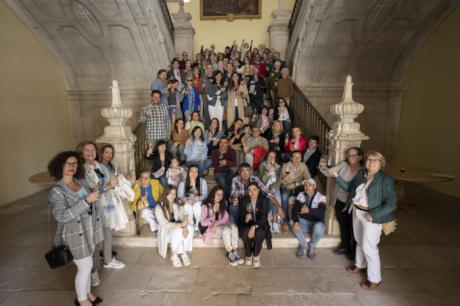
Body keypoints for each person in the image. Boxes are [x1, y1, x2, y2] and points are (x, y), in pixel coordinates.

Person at [332, 151, 397, 289]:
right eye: (369, 159)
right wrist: (337, 177)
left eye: (375, 160)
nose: (371, 162)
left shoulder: (386, 179)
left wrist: (375, 214)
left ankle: (375, 278)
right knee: (359, 240)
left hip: (371, 216)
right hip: (357, 211)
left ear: (381, 164)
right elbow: (350, 188)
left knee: (369, 247)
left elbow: (392, 203)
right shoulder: (362, 174)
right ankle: (360, 265)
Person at [48, 151, 104, 306]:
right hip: (74, 233)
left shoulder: (80, 182)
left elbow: (91, 197)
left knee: (89, 264)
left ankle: (87, 293)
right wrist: (86, 201)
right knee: (85, 266)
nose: (72, 166)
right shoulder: (56, 191)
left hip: (90, 228)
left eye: (74, 163)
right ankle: (81, 299)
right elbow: (62, 216)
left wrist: (94, 194)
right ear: (60, 166)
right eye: (68, 163)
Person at [77, 141, 125, 282]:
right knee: (96, 239)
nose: (90, 153)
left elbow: (112, 179)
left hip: (107, 205)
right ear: (82, 153)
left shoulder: (100, 166)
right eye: (87, 150)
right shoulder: (82, 171)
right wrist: (108, 186)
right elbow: (92, 191)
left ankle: (108, 260)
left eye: (92, 150)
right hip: (93, 208)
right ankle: (93, 271)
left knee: (108, 232)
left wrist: (110, 184)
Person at [320, 147, 364, 259]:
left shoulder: (362, 171)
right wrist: (323, 166)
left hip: (353, 203)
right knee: (343, 225)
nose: (350, 157)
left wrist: (337, 177)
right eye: (349, 155)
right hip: (339, 200)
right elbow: (329, 172)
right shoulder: (344, 164)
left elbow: (349, 188)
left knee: (354, 228)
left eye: (353, 155)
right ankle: (345, 246)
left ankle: (354, 254)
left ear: (360, 157)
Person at [200, 186, 244, 266]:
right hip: (211, 230)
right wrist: (211, 219)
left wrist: (216, 224)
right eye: (217, 194)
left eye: (221, 194)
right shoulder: (205, 205)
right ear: (213, 193)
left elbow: (226, 217)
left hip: (220, 226)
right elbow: (202, 223)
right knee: (226, 229)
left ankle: (234, 251)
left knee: (234, 227)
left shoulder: (224, 203)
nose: (219, 196)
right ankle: (229, 252)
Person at [155, 186, 194, 268]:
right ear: (165, 194)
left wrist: (185, 225)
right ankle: (174, 255)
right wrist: (180, 226)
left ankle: (183, 252)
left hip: (178, 227)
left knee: (190, 228)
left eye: (174, 194)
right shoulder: (159, 207)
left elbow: (183, 214)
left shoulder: (176, 203)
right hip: (166, 230)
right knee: (178, 231)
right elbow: (164, 224)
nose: (172, 196)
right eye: (170, 194)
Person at [292, 179, 327, 259]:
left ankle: (312, 245)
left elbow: (321, 213)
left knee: (320, 227)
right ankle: (304, 245)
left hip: (315, 224)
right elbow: (295, 209)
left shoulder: (321, 197)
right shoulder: (301, 194)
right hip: (304, 223)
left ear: (314, 186)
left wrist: (308, 210)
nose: (307, 187)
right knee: (292, 222)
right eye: (305, 185)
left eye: (310, 185)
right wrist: (296, 222)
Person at [239, 183, 271, 268]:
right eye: (249, 190)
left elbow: (264, 217)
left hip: (260, 224)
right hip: (247, 224)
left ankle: (256, 255)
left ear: (258, 190)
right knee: (244, 232)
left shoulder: (264, 200)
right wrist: (245, 219)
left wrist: (254, 226)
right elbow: (241, 218)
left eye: (254, 190)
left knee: (259, 233)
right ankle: (248, 254)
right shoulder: (243, 201)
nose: (252, 192)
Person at [279, 151, 311, 233]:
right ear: (291, 158)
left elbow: (308, 179)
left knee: (303, 196)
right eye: (295, 157)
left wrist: (296, 184)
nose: (297, 159)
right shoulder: (285, 166)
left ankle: (299, 219)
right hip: (287, 186)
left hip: (298, 186)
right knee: (284, 197)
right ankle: (285, 221)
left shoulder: (303, 166)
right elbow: (281, 180)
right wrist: (284, 180)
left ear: (301, 158)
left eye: (299, 157)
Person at [177, 165, 208, 232]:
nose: (193, 173)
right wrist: (186, 200)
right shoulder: (183, 183)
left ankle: (197, 224)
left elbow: (205, 195)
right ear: (188, 172)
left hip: (198, 201)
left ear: (198, 173)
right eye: (191, 171)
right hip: (187, 202)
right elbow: (179, 196)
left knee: (197, 206)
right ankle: (190, 223)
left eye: (196, 171)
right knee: (187, 206)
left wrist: (197, 199)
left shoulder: (202, 181)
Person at [258, 150, 282, 233]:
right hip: (264, 187)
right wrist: (269, 172)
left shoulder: (278, 167)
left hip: (274, 188)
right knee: (272, 197)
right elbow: (261, 180)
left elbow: (279, 180)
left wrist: (274, 188)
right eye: (270, 156)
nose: (271, 158)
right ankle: (271, 221)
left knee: (277, 197)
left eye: (273, 157)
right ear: (267, 157)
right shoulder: (262, 165)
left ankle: (275, 221)